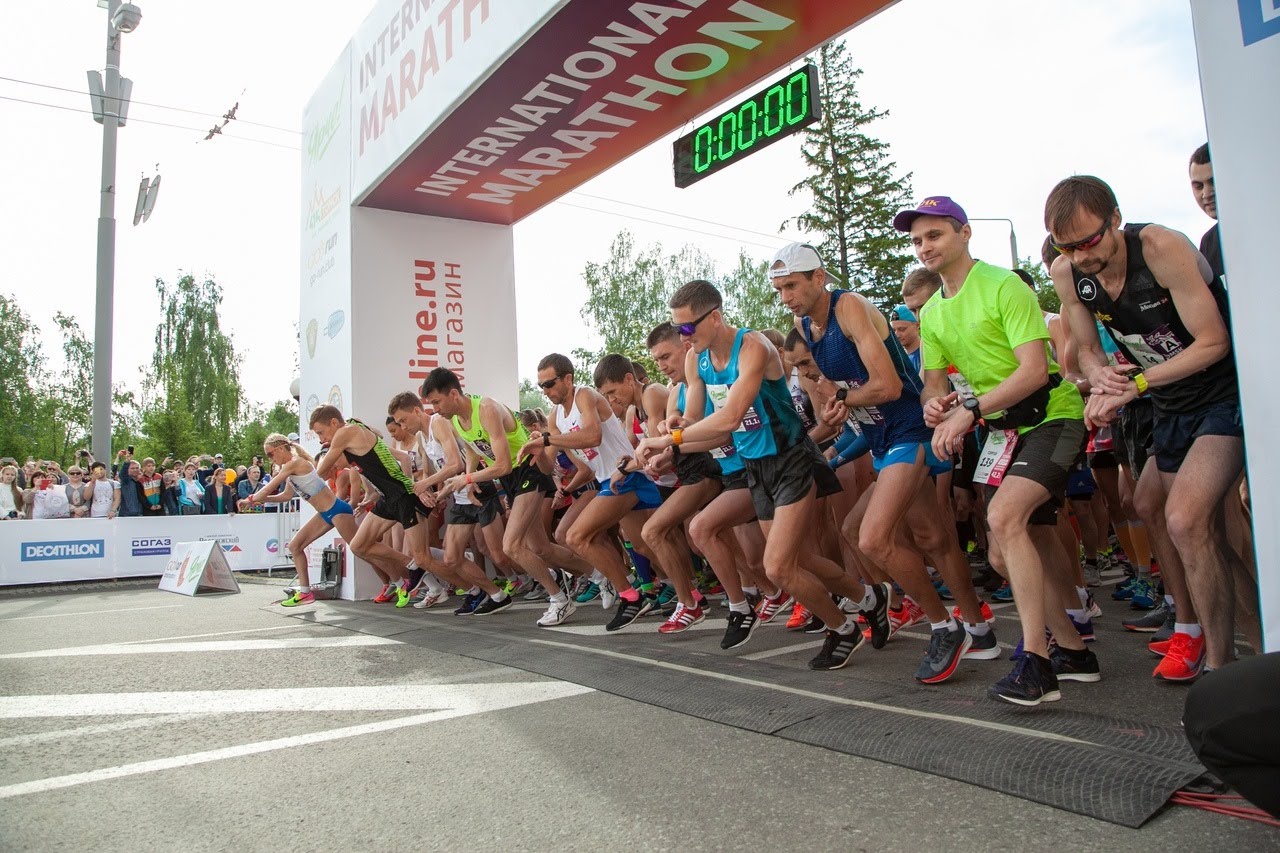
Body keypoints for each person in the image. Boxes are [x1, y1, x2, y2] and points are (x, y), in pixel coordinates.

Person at [1046, 175, 1257, 679]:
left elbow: (1213, 342)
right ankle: (1192, 627)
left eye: (1090, 241)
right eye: (1067, 246)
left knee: (1194, 520)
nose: (1082, 256)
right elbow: (1089, 353)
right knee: (1150, 504)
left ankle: (1229, 667)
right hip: (1167, 401)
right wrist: (1101, 380)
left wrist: (1135, 386)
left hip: (1220, 395)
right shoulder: (1068, 272)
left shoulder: (1160, 246)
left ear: (1115, 219)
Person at [897, 195, 1096, 706]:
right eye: (917, 240)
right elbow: (933, 383)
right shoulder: (934, 311)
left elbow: (1033, 371)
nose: (924, 247)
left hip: (1053, 415)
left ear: (964, 233)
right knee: (1008, 550)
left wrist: (970, 411)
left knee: (1006, 519)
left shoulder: (1004, 285)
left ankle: (1036, 663)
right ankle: (1074, 650)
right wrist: (935, 407)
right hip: (1001, 430)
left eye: (935, 235)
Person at [776, 242, 998, 683]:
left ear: (819, 278)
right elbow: (843, 391)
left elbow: (889, 385)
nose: (786, 296)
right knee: (926, 536)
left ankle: (943, 625)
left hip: (908, 428)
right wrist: (838, 408)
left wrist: (843, 397)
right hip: (879, 437)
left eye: (792, 285)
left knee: (874, 537)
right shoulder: (805, 323)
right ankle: (978, 627)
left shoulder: (851, 307)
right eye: (779, 289)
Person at [637, 280, 874, 671]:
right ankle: (869, 597)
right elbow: (701, 423)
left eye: (687, 328)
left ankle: (844, 628)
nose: (684, 337)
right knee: (797, 560)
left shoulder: (752, 347)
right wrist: (674, 439)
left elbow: (729, 417)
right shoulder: (697, 361)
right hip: (755, 466)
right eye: (678, 328)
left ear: (714, 317)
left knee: (779, 566)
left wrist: (671, 440)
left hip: (791, 458)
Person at [420, 368, 592, 626]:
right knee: (540, 548)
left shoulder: (486, 408)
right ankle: (599, 573)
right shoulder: (456, 420)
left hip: (528, 469)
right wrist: (469, 480)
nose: (434, 409)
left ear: (453, 394)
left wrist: (465, 479)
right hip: (512, 480)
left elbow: (503, 465)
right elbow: (475, 451)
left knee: (511, 546)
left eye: (436, 402)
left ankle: (559, 600)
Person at [310, 405, 424, 607]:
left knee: (425, 557)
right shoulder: (354, 433)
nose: (321, 439)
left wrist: (414, 486)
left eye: (321, 432)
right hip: (387, 499)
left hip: (401, 496)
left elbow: (320, 470)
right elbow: (373, 464)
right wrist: (370, 495)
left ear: (335, 423)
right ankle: (411, 569)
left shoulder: (347, 432)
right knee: (358, 546)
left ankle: (476, 589)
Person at [242, 433, 359, 607]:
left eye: (270, 454)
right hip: (325, 514)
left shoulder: (294, 463)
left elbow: (268, 488)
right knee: (295, 546)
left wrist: (251, 499)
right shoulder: (291, 470)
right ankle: (305, 593)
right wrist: (260, 499)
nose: (271, 459)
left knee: (363, 549)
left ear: (281, 448)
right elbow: (285, 496)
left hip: (337, 510)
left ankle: (401, 579)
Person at [889, 304, 922, 374]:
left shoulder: (928, 354)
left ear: (917, 325)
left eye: (902, 329)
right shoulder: (897, 359)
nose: (897, 335)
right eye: (893, 330)